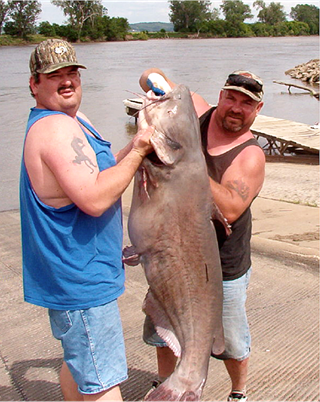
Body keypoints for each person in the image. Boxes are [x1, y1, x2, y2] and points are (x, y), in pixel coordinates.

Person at [20, 39, 154, 402]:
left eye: (71, 73)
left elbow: (104, 166)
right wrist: (141, 147)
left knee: (79, 365)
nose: (66, 82)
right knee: (102, 382)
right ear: (34, 83)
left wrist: (138, 145)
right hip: (80, 280)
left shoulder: (74, 121)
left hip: (80, 275)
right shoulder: (55, 129)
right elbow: (95, 199)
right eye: (54, 76)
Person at [138, 68, 265, 402]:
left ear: (257, 109)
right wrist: (158, 87)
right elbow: (150, 77)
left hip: (222, 265)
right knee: (162, 331)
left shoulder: (250, 154)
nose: (236, 108)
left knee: (231, 342)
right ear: (220, 96)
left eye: (246, 104)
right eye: (231, 98)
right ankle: (167, 382)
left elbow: (233, 208)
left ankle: (238, 392)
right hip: (172, 250)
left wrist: (184, 164)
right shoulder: (195, 110)